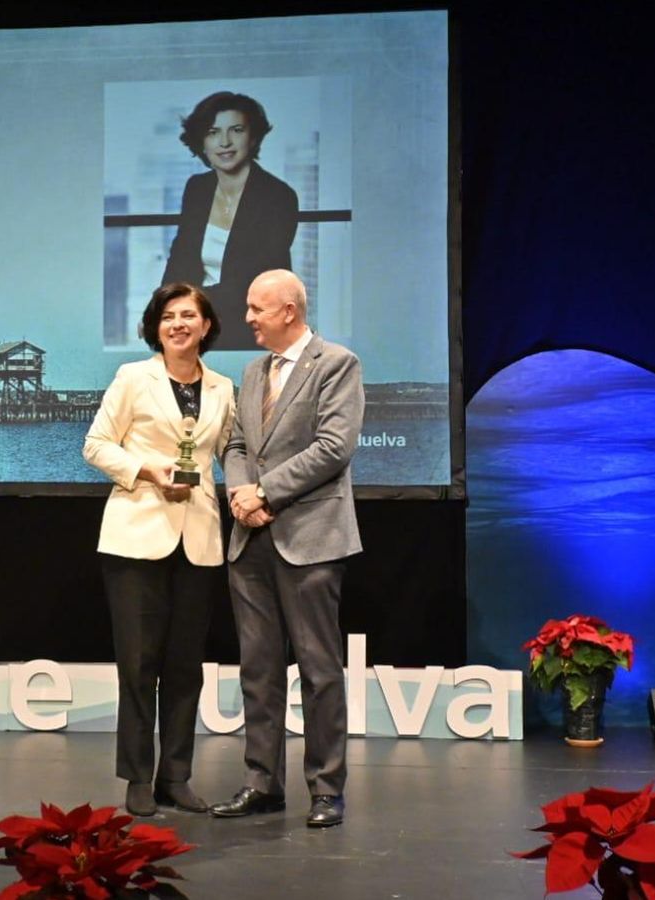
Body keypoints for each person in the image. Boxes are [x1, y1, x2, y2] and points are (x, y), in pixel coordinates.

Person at [211, 269, 362, 829]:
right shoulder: (253, 372)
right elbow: (238, 442)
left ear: (289, 312)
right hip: (250, 539)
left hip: (311, 540)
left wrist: (265, 490)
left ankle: (326, 789)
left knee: (321, 671)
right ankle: (261, 784)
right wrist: (238, 492)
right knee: (259, 669)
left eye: (256, 308)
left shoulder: (337, 364)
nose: (247, 317)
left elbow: (333, 447)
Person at [83, 282, 237, 817]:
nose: (178, 324)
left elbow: (231, 451)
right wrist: (145, 469)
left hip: (198, 541)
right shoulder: (133, 378)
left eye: (188, 315)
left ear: (207, 326)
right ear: (157, 326)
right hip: (135, 537)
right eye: (169, 316)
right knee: (138, 663)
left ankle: (176, 775)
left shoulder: (222, 388)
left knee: (185, 666)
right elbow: (96, 444)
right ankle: (137, 778)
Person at [162, 91, 299, 352]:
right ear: (201, 142)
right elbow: (180, 257)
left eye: (236, 130)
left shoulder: (278, 196)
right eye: (213, 132)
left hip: (250, 327)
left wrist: (187, 311)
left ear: (253, 136)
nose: (224, 142)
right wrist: (161, 309)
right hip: (196, 324)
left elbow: (257, 281)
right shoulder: (197, 188)